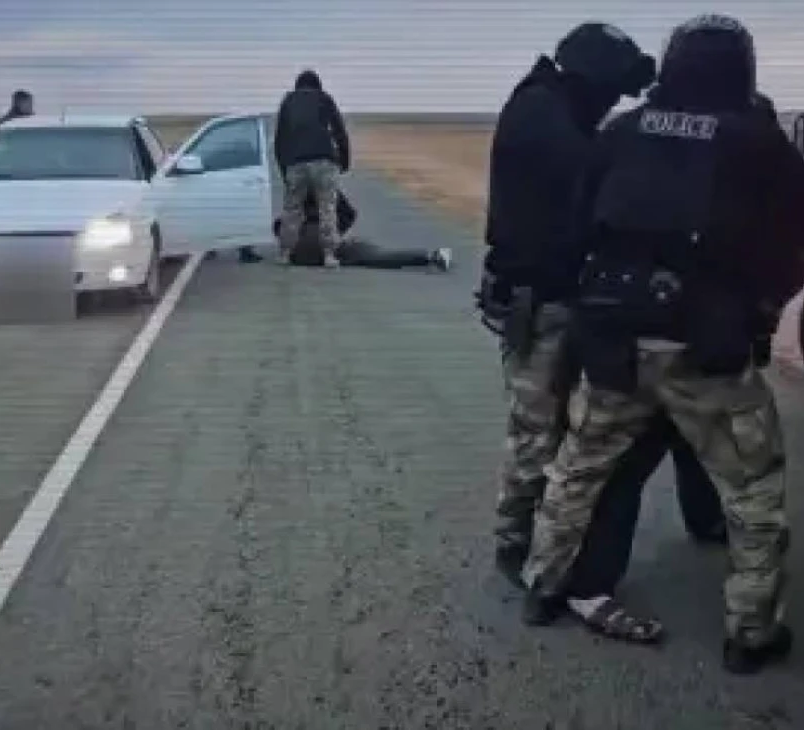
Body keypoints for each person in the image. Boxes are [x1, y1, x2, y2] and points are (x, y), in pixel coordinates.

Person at [519, 13, 804, 674]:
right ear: (742, 71)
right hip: (705, 350)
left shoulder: (622, 130)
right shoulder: (754, 139)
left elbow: (575, 225)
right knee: (752, 493)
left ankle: (542, 587)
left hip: (613, 338)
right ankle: (751, 633)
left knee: (578, 470)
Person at [478, 22, 719, 643]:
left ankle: (545, 550)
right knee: (537, 434)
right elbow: (603, 174)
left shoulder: (554, 106)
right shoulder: (541, 114)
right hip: (542, 301)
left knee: (561, 434)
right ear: (586, 81)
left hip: (560, 298)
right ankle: (518, 547)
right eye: (611, 90)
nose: (614, 102)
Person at [274, 69, 352, 267]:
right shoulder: (324, 98)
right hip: (323, 160)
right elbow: (339, 131)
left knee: (292, 209)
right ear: (317, 85)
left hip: (296, 162)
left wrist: (284, 170)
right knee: (327, 207)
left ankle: (285, 253)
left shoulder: (288, 101)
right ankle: (329, 255)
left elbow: (280, 139)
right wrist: (344, 161)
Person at [275, 190, 453, 271]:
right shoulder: (327, 187)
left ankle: (429, 257)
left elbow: (278, 225)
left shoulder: (294, 189)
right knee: (377, 256)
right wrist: (335, 233)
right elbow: (349, 214)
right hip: (327, 245)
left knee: (369, 255)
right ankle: (430, 256)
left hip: (299, 253)